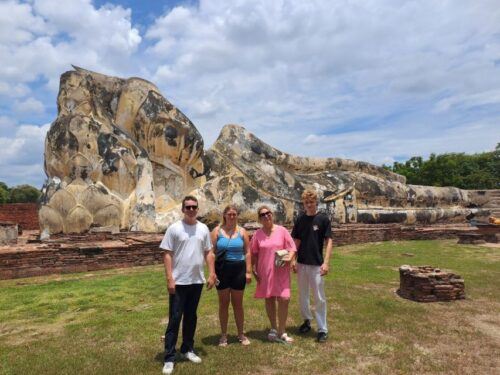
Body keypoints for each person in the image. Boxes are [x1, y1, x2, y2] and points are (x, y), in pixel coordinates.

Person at [159, 195, 216, 375]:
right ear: (183, 209)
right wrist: (170, 278)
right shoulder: (174, 229)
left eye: (194, 207)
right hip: (179, 281)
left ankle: (187, 349)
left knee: (191, 317)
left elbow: (208, 252)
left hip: (196, 280)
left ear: (197, 209)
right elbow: (167, 253)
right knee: (175, 318)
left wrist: (212, 273)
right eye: (188, 207)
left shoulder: (203, 229)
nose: (191, 210)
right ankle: (169, 356)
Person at [251, 205, 296, 344]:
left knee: (284, 299)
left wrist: (291, 257)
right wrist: (253, 269)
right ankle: (273, 328)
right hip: (265, 271)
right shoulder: (257, 234)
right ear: (260, 218)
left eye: (268, 213)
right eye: (262, 215)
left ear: (272, 214)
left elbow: (292, 247)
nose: (266, 216)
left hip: (281, 271)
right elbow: (254, 253)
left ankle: (282, 330)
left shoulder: (282, 231)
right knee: (269, 298)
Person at [291, 189, 333, 343]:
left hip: (316, 264)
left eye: (311, 202)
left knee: (319, 297)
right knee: (303, 295)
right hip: (302, 263)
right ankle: (306, 320)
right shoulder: (300, 220)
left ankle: (322, 329)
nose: (309, 205)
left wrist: (326, 262)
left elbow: (329, 241)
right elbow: (296, 241)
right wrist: (293, 259)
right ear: (303, 203)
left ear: (316, 202)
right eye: (306, 202)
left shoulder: (322, 219)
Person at [210, 205, 252, 347]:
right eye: (229, 214)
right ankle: (223, 335)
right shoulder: (217, 231)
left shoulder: (242, 232)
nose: (232, 216)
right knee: (223, 304)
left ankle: (241, 334)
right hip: (221, 269)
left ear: (237, 215)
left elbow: (247, 252)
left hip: (238, 269)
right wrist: (212, 272)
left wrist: (248, 271)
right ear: (224, 215)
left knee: (238, 304)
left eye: (234, 214)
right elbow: (211, 252)